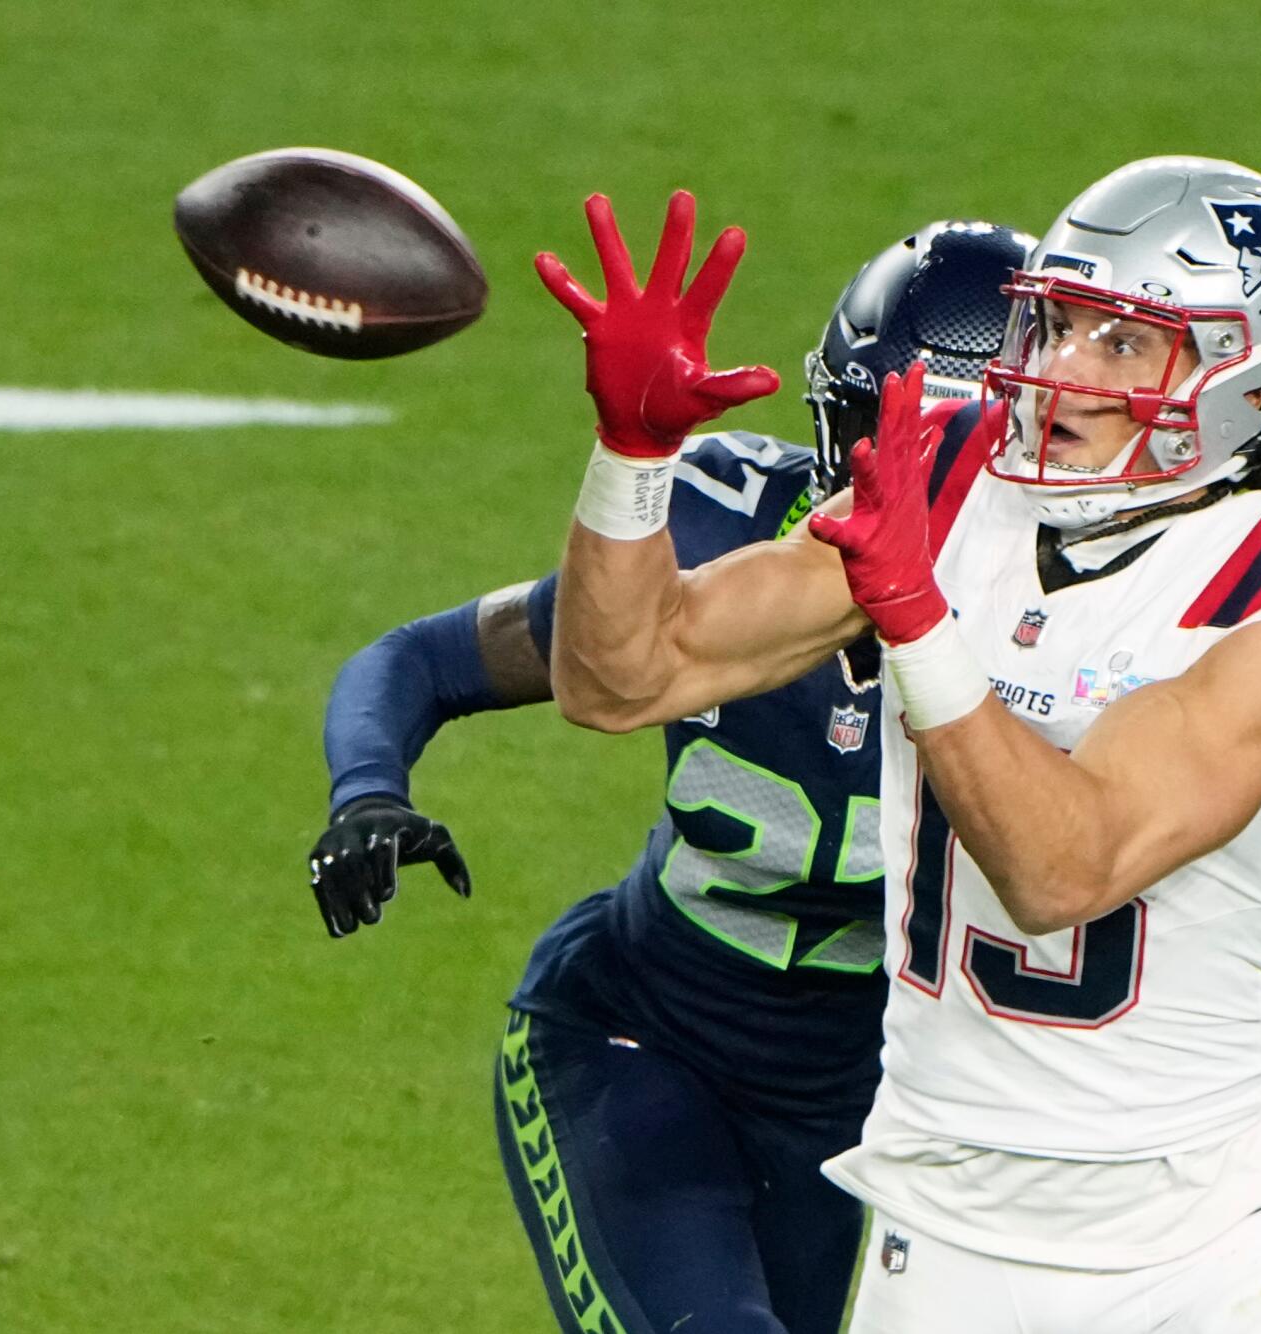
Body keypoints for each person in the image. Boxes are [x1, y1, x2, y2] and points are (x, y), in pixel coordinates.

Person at [531, 157, 1261, 1332]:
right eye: (1057, 324)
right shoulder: (957, 470)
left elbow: (1065, 865)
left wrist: (917, 618)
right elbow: (622, 677)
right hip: (945, 1226)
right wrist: (629, 465)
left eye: (1122, 343)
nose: (1061, 371)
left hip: (1207, 1236)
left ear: (1247, 375)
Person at [306, 216, 1033, 1334]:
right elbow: (424, 659)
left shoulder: (1077, 628)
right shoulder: (716, 536)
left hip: (871, 1107)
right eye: (879, 428)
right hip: (642, 1042)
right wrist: (367, 787)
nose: (907, 472)